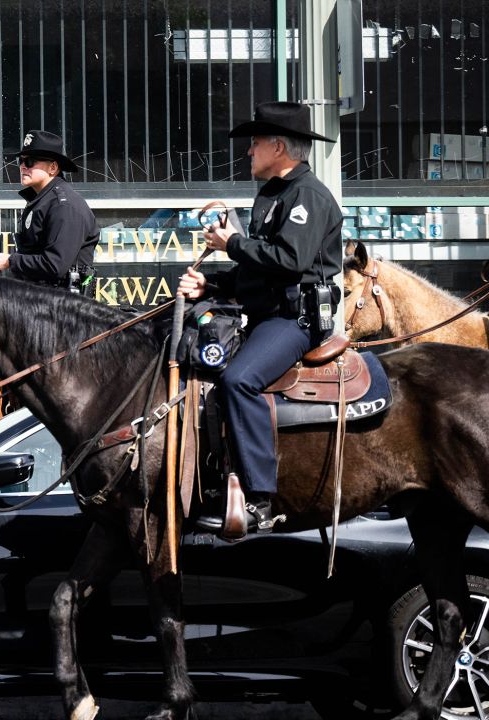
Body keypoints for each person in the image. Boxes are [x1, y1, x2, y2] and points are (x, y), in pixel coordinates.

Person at [179, 101, 343, 536]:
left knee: (239, 380)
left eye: (254, 143)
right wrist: (211, 287)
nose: (248, 151)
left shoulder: (306, 195)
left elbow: (290, 261)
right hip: (265, 314)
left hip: (295, 321)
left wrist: (232, 243)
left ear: (277, 146)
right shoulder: (274, 194)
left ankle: (260, 499)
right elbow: (259, 269)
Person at [0, 129, 98, 295]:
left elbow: (54, 265)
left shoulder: (64, 206)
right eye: (20, 161)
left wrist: (9, 261)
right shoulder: (41, 201)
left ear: (53, 167)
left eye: (30, 161)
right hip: (40, 304)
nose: (23, 166)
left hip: (64, 311)